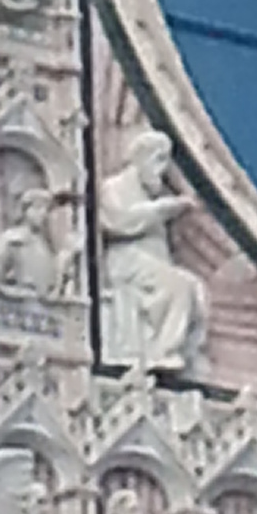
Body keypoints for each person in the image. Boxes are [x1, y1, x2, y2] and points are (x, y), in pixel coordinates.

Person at [98, 130, 207, 375]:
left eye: (165, 161)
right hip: (126, 261)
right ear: (141, 158)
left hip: (148, 264)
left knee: (195, 287)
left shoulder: (150, 193)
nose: (163, 169)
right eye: (158, 160)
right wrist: (162, 209)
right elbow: (117, 221)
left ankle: (185, 352)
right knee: (179, 286)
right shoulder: (114, 187)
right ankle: (164, 352)